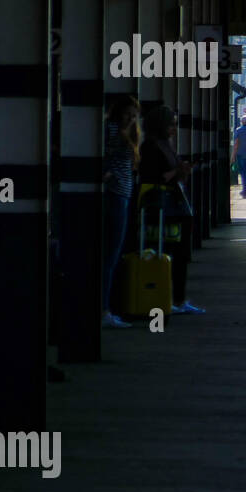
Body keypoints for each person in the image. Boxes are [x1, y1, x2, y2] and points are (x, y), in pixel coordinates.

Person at [140, 105, 204, 315]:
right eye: (171, 125)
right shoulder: (151, 146)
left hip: (175, 204)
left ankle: (178, 298)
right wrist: (177, 170)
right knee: (168, 251)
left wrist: (181, 171)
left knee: (180, 254)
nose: (174, 129)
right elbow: (154, 176)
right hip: (163, 208)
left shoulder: (165, 145)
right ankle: (166, 298)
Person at [101, 96, 141, 328]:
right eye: (127, 114)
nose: (130, 119)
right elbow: (108, 152)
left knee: (114, 254)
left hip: (123, 193)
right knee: (110, 254)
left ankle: (109, 307)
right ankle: (105, 309)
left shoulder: (128, 131)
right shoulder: (113, 129)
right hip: (115, 192)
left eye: (133, 115)